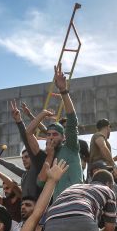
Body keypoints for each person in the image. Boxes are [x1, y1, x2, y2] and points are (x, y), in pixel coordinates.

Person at [29, 64, 83, 200]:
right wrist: (50, 156)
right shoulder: (48, 156)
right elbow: (40, 182)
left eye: (55, 134)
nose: (51, 138)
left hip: (76, 201)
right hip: (58, 207)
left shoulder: (71, 147)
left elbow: (72, 119)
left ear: (63, 137)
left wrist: (63, 90)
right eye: (48, 135)